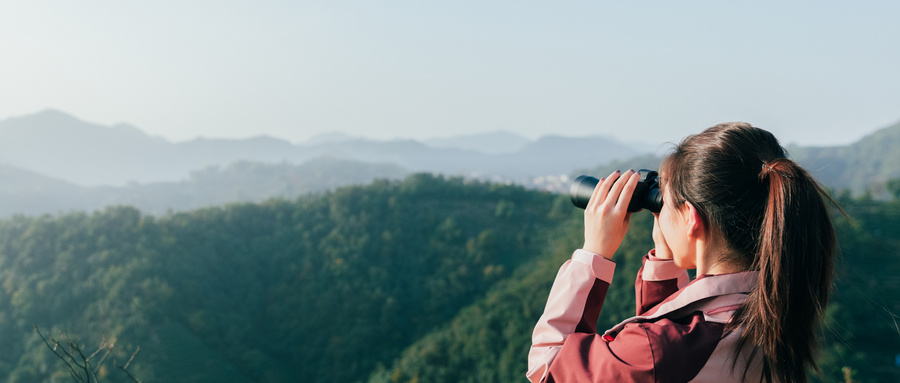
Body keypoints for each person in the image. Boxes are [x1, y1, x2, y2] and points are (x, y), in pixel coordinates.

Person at [527, 122, 837, 383]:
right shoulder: (770, 312)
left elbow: (547, 369)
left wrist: (593, 253)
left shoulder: (658, 350)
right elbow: (676, 347)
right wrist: (664, 259)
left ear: (691, 218)